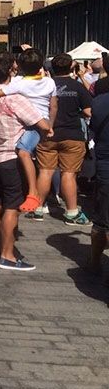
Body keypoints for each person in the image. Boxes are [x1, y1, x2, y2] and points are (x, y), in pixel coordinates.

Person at [0, 53, 52, 271]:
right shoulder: (16, 98)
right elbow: (40, 123)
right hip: (12, 157)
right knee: (12, 207)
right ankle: (8, 255)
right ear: (10, 72)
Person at [0, 47, 57, 212]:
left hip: (34, 123)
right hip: (42, 121)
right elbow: (54, 105)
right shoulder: (50, 82)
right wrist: (50, 125)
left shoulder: (20, 85)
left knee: (23, 152)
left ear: (20, 67)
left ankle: (33, 192)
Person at [31, 53, 92, 226]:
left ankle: (38, 208)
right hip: (72, 134)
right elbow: (88, 111)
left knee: (45, 171)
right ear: (72, 68)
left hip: (47, 133)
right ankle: (72, 212)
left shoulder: (45, 85)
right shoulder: (78, 86)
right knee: (69, 173)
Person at [89, 81, 109, 277]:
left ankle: (95, 262)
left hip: (105, 166)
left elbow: (94, 128)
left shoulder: (99, 102)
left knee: (102, 221)